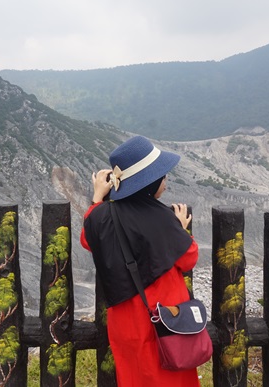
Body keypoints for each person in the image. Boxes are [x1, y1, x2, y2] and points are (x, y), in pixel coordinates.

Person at [80, 135, 201, 386]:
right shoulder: (162, 218)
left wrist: (97, 199)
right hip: (165, 316)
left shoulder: (101, 215)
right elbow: (189, 259)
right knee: (171, 379)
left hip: (125, 319)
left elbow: (87, 239)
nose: (166, 182)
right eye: (163, 177)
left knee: (133, 376)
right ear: (150, 183)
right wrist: (179, 228)